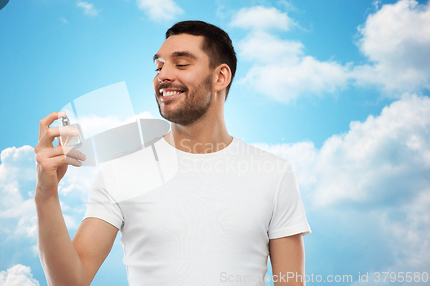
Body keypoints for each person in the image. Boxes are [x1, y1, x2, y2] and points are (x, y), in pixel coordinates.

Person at [35, 21, 311, 286]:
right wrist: (46, 194)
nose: (163, 76)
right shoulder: (121, 171)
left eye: (181, 64)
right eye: (159, 66)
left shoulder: (274, 174)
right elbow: (71, 282)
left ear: (220, 77)